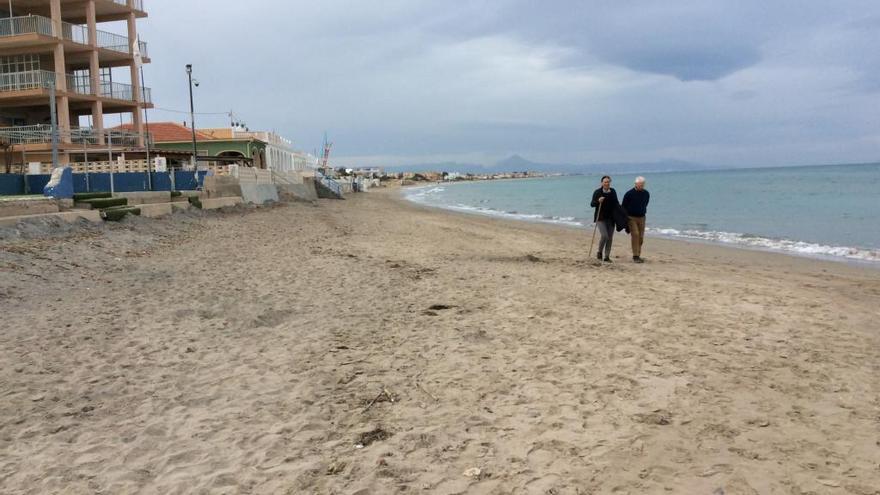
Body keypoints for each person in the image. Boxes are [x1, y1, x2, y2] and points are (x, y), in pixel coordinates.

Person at [590, 175, 620, 262]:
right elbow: (592, 204)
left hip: (611, 218)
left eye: (608, 182)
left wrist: (621, 213)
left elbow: (616, 203)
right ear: (602, 183)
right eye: (605, 182)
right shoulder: (597, 192)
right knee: (604, 236)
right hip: (600, 218)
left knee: (610, 238)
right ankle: (599, 252)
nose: (607, 183)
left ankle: (607, 257)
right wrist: (598, 201)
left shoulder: (613, 191)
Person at [622, 176, 650, 263]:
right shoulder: (629, 194)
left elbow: (646, 203)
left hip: (642, 217)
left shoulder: (646, 193)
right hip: (631, 217)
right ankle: (635, 256)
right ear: (635, 184)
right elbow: (623, 207)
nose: (641, 186)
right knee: (635, 235)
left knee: (641, 238)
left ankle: (638, 254)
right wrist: (625, 221)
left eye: (642, 185)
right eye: (640, 185)